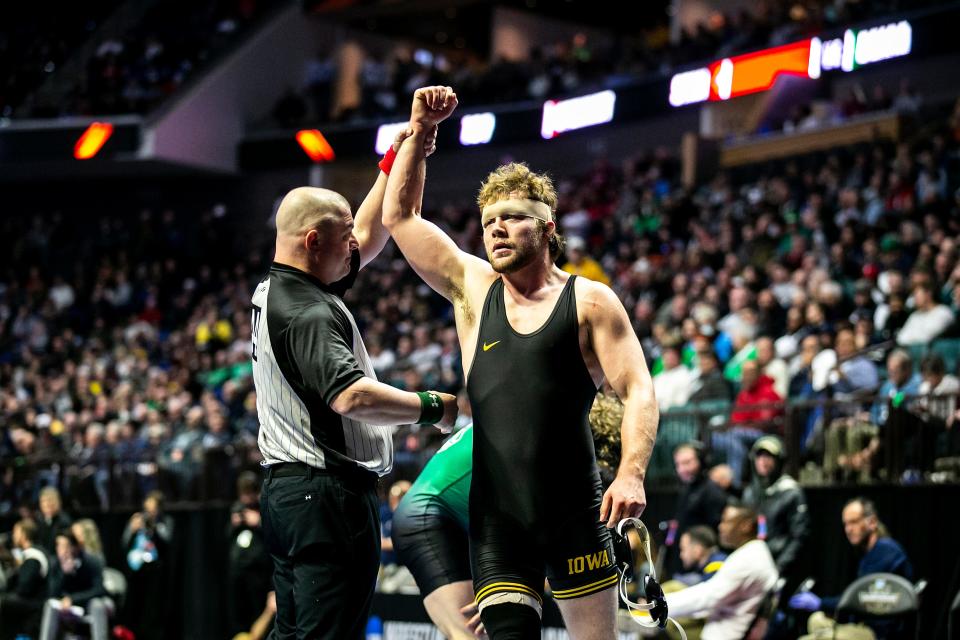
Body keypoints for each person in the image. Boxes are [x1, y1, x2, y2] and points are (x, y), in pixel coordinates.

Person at [383, 86, 658, 639]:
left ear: (548, 228)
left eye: (512, 218)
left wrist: (630, 473)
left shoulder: (590, 301)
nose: (496, 231)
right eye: (488, 223)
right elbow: (399, 216)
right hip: (497, 520)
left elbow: (639, 390)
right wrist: (420, 133)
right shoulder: (472, 290)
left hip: (575, 514)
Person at [252, 101, 458, 639]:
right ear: (313, 242)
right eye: (341, 236)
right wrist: (433, 407)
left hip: (289, 495)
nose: (355, 245)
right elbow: (351, 398)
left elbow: (366, 230)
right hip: (325, 498)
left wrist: (400, 151)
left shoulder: (281, 286)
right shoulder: (308, 311)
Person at [790, 498, 913, 640]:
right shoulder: (871, 552)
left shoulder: (885, 551)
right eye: (846, 524)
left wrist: (821, 603)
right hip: (865, 625)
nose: (848, 529)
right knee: (816, 619)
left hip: (879, 633)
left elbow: (860, 598)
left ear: (872, 522)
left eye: (854, 522)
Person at [663, 503, 779, 640]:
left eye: (726, 521)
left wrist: (660, 604)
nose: (720, 526)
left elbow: (709, 597)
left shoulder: (749, 559)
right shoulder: (754, 553)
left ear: (745, 526)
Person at [742, 436, 809, 595]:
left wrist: (779, 567)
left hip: (781, 566)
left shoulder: (791, 492)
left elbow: (799, 536)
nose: (763, 461)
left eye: (769, 456)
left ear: (779, 461)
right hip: (753, 566)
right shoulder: (750, 493)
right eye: (759, 456)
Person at [39, 531, 110, 640]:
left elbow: (100, 589)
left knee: (98, 604)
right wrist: (63, 574)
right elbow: (52, 594)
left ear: (75, 547)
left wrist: (73, 599)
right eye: (59, 545)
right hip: (66, 604)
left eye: (65, 546)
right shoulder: (55, 563)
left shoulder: (91, 561)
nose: (61, 550)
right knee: (50, 605)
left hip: (87, 601)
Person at [0, 519, 49, 639]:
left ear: (23, 534)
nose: (13, 536)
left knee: (3, 602)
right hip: (30, 601)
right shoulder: (29, 554)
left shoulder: (33, 556)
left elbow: (24, 588)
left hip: (35, 604)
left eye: (16, 532)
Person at [35, 487, 71, 553]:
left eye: (50, 500)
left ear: (57, 502)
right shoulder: (39, 519)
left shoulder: (64, 521)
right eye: (44, 501)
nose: (47, 504)